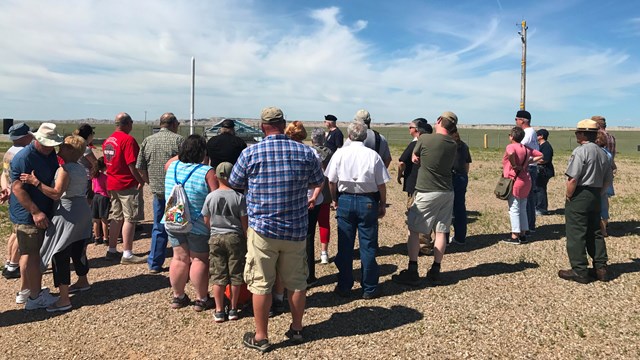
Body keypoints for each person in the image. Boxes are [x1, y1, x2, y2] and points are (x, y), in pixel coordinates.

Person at [229, 107, 324, 352]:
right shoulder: (305, 151)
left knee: (261, 283)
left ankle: (261, 336)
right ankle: (297, 329)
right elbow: (317, 181)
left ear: (263, 127)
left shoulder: (251, 152)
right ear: (283, 124)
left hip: (262, 228)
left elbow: (235, 183)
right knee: (296, 281)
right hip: (295, 228)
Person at [21, 135, 92, 312]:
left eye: (64, 146)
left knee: (59, 251)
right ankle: (83, 281)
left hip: (68, 213)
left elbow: (56, 193)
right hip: (82, 210)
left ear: (71, 150)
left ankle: (64, 298)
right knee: (78, 247)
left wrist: (35, 182)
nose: (60, 148)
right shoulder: (81, 168)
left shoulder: (65, 169)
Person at [325, 121, 390, 299]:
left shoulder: (340, 154)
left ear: (349, 135)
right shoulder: (373, 156)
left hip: (345, 200)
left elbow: (331, 181)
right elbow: (381, 184)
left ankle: (344, 285)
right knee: (367, 245)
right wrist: (382, 203)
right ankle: (369, 288)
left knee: (345, 245)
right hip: (367, 200)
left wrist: (335, 200)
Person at [391, 115, 458, 286]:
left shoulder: (426, 138)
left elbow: (414, 157)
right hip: (447, 191)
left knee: (414, 229)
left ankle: (412, 269)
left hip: (427, 190)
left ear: (439, 122)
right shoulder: (453, 144)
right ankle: (436, 269)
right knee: (441, 230)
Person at [10, 123, 62, 309]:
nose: (50, 147)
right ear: (37, 139)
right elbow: (17, 188)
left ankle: (27, 291)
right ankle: (34, 297)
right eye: (47, 143)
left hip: (37, 211)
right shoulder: (26, 158)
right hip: (29, 214)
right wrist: (35, 211)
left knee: (29, 254)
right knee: (32, 256)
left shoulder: (48, 154)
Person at [164, 134, 218, 311]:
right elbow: (215, 196)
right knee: (199, 259)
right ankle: (201, 298)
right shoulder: (207, 172)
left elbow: (171, 161)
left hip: (174, 219)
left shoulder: (172, 166)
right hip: (198, 223)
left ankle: (178, 296)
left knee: (179, 258)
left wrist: (183, 152)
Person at [559, 119, 613, 284]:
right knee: (595, 231)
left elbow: (573, 178)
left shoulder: (580, 152)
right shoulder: (603, 153)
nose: (576, 134)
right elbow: (608, 180)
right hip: (596, 194)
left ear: (582, 134)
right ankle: (601, 268)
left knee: (576, 233)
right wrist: (599, 193)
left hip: (581, 194)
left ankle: (579, 270)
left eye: (577, 132)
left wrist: (569, 195)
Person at [136, 112, 184, 273]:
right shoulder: (178, 140)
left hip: (158, 192)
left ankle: (155, 263)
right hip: (177, 192)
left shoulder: (148, 141)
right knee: (181, 227)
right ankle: (184, 262)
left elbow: (140, 166)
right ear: (172, 124)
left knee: (159, 227)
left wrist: (150, 182)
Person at [201, 162, 248, 322]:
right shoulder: (239, 197)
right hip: (234, 237)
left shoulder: (210, 196)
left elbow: (206, 219)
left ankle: (219, 309)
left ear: (216, 176)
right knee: (235, 274)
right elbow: (244, 222)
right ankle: (234, 308)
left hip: (216, 236)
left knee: (218, 274)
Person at [102, 113, 147, 264]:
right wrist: (140, 180)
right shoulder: (127, 140)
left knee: (116, 217)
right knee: (130, 217)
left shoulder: (109, 140)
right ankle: (127, 253)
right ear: (127, 123)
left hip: (112, 182)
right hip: (126, 183)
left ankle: (112, 249)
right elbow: (131, 164)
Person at [285, 121, 324, 286]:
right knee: (308, 236)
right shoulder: (312, 152)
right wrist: (315, 197)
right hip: (311, 200)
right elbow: (320, 178)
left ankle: (292, 273)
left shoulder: (285, 153)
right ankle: (308, 275)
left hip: (296, 199)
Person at [397, 118, 433, 254]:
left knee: (414, 215)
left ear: (418, 131)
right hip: (429, 184)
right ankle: (425, 245)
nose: (410, 130)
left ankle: (418, 246)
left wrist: (399, 175)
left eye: (411, 127)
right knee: (427, 215)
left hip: (414, 184)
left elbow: (401, 162)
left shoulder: (414, 145)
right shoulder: (432, 146)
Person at [2, 123, 33, 281]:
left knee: (14, 230)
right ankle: (14, 265)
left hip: (11, 193)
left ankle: (9, 262)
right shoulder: (23, 153)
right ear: (23, 137)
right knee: (20, 232)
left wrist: (5, 188)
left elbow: (3, 173)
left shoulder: (9, 151)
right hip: (19, 195)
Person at [501, 127, 543, 245]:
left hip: (515, 179)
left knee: (514, 208)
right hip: (526, 179)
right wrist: (527, 162)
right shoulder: (526, 148)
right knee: (523, 207)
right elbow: (540, 155)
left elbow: (510, 153)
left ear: (512, 137)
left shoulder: (510, 146)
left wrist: (514, 164)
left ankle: (515, 235)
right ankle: (523, 234)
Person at [310, 128, 333, 264]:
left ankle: (308, 252)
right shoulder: (330, 153)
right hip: (325, 192)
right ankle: (324, 253)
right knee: (324, 223)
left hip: (311, 191)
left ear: (313, 139)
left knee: (309, 226)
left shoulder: (309, 152)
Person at [515, 110, 540, 233]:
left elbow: (518, 148)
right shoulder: (532, 132)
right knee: (528, 197)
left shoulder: (527, 133)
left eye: (517, 119)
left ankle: (529, 226)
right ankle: (529, 225)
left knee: (527, 197)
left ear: (523, 120)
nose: (515, 122)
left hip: (528, 167)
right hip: (531, 166)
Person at [592, 115, 616, 235]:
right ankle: (605, 223)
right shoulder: (611, 137)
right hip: (609, 170)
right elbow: (612, 155)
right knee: (605, 198)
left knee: (598, 198)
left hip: (598, 172)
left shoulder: (597, 136)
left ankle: (601, 227)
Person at [450, 130, 472, 245]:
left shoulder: (448, 145)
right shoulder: (464, 146)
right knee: (460, 208)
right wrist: (464, 175)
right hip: (462, 177)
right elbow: (467, 164)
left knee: (446, 209)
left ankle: (444, 238)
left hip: (450, 177)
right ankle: (460, 237)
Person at [595, 131, 614, 237]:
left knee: (601, 206)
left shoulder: (599, 153)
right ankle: (604, 228)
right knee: (604, 206)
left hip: (599, 182)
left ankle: (602, 230)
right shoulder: (608, 152)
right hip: (606, 182)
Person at [73, 124, 98, 204]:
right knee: (88, 201)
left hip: (77, 175)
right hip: (87, 177)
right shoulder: (86, 149)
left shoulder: (76, 146)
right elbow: (95, 163)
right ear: (89, 135)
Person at [535, 129, 554, 215]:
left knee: (540, 189)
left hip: (544, 171)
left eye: (537, 134)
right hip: (539, 170)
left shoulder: (546, 146)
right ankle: (536, 206)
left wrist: (533, 161)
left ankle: (542, 209)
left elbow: (545, 159)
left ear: (541, 136)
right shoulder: (539, 145)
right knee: (536, 188)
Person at [91, 157, 110, 245]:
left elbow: (92, 188)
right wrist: (110, 197)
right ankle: (105, 238)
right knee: (104, 219)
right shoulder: (105, 177)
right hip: (103, 197)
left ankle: (97, 237)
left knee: (95, 219)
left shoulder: (94, 176)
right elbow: (107, 189)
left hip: (95, 197)